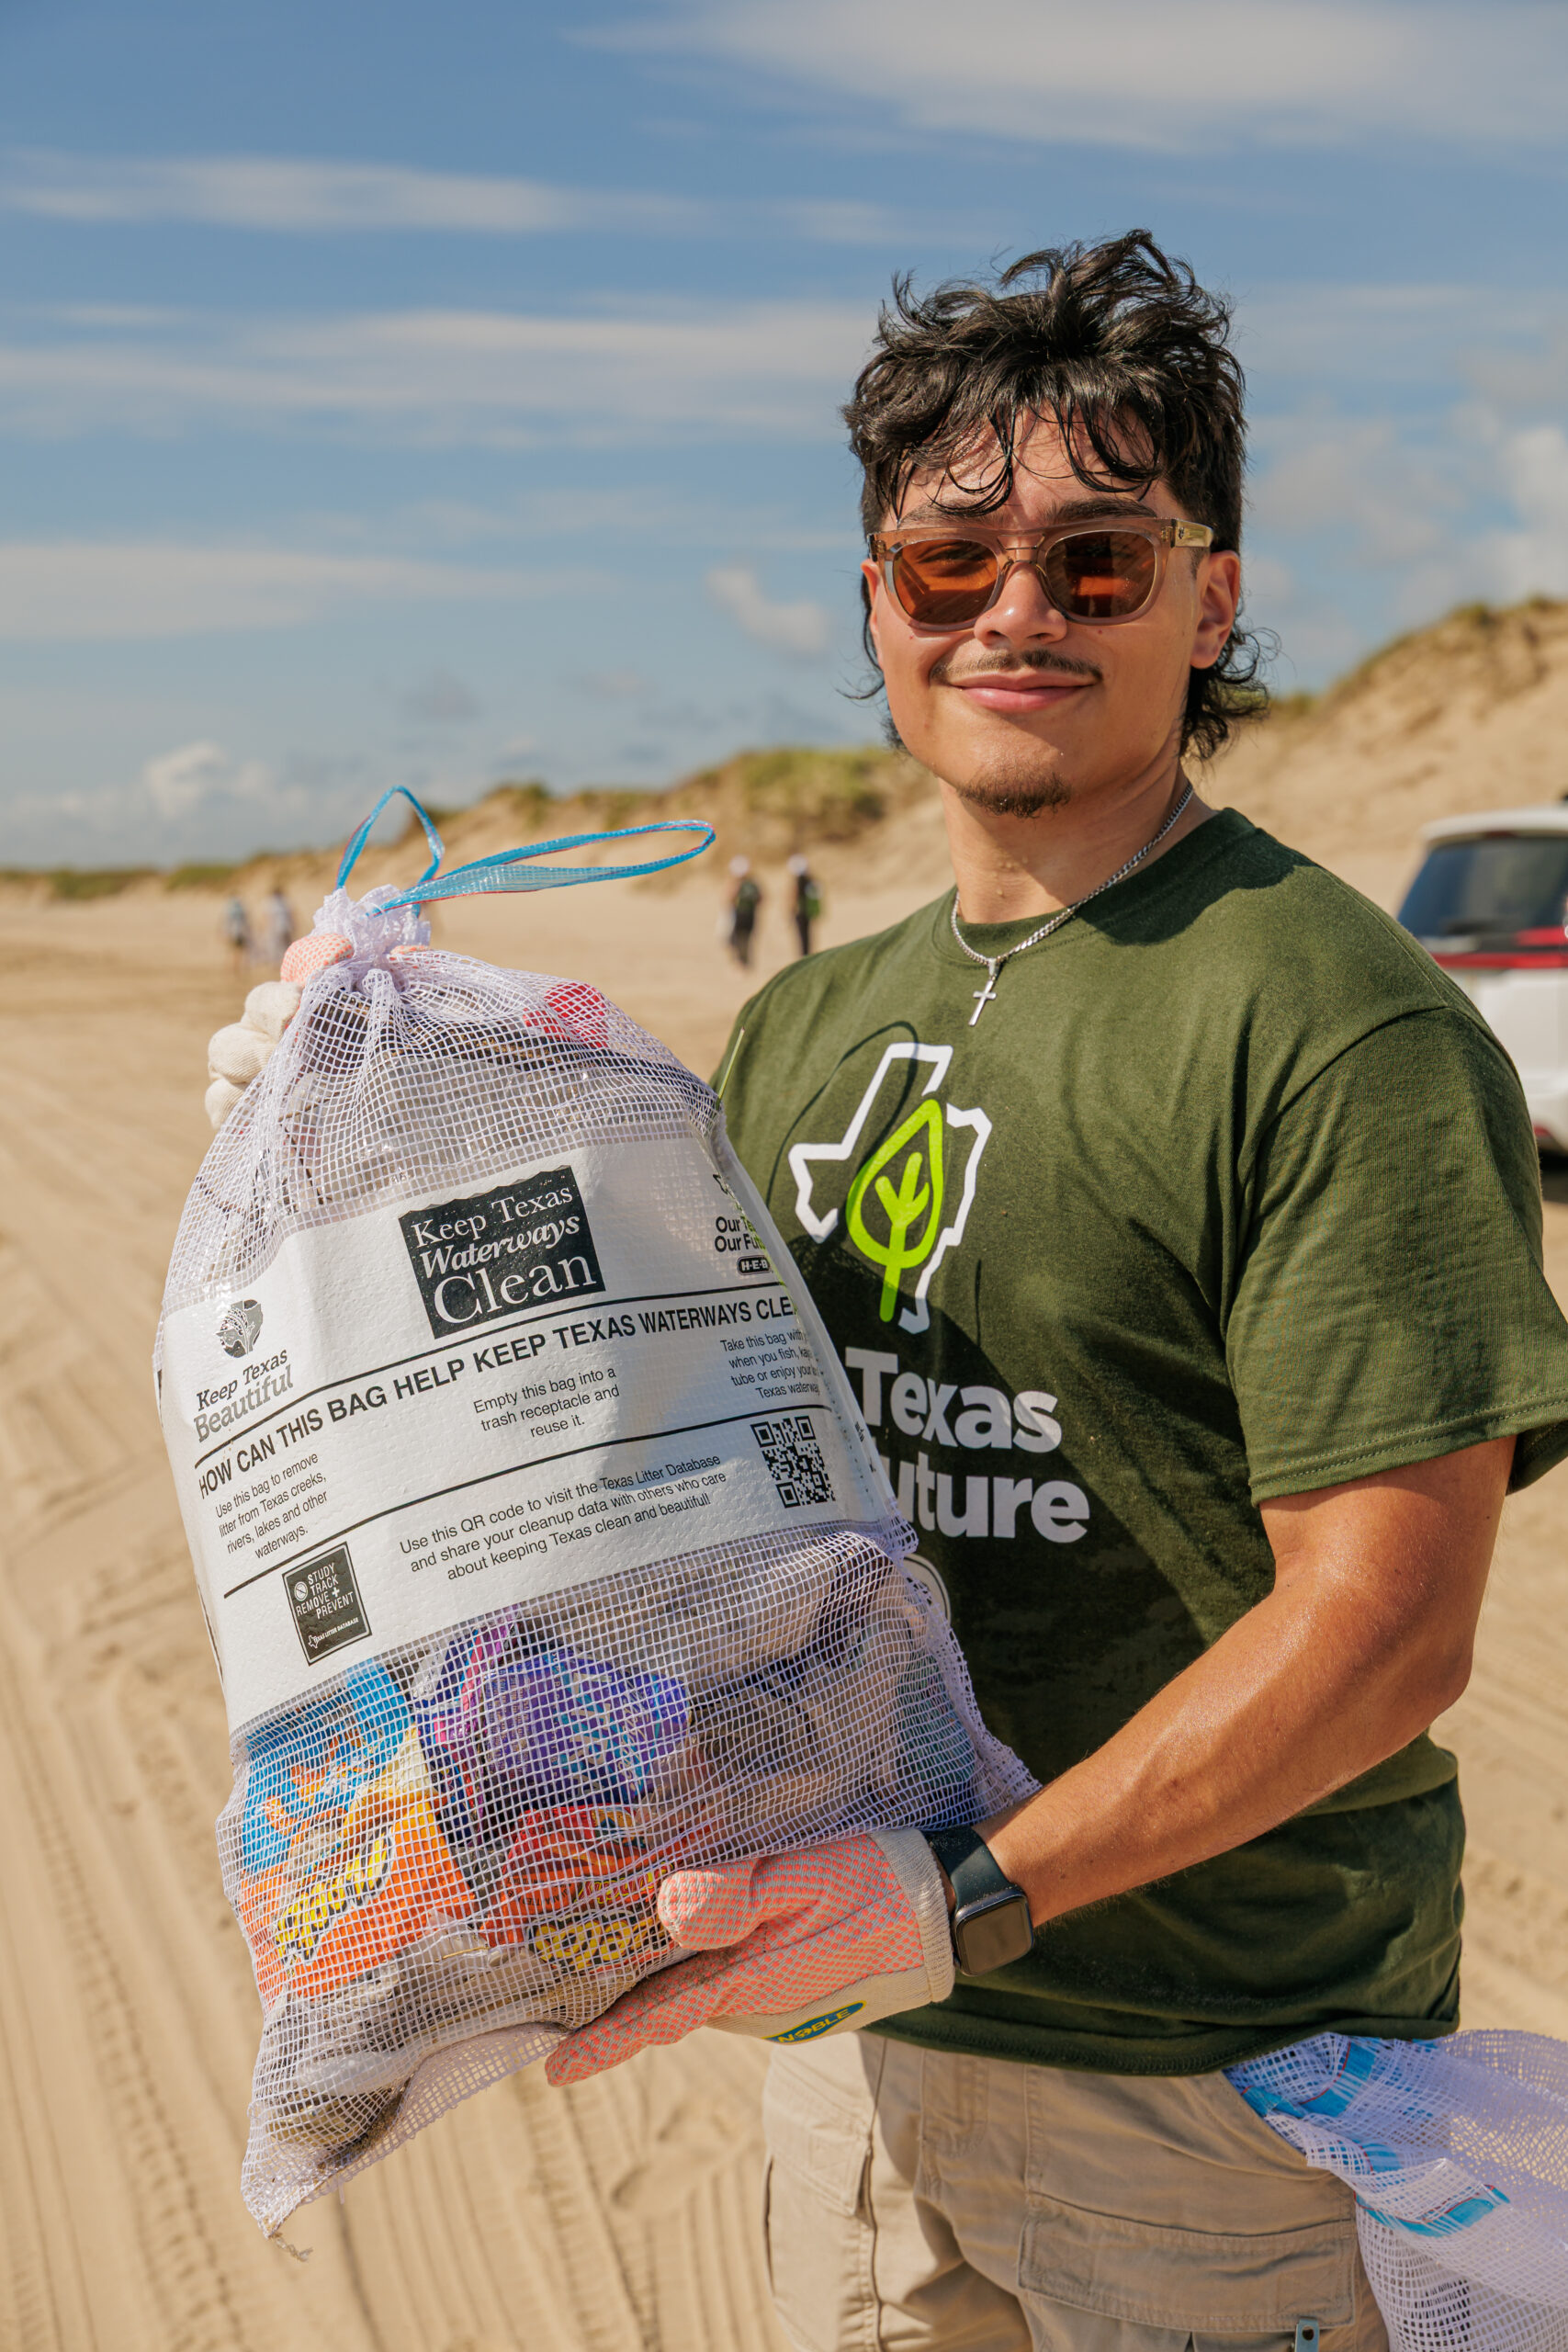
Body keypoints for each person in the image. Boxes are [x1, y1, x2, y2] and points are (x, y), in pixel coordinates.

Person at [200, 233, 1568, 2351]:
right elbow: (636, 1460)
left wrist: (962, 1890)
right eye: (949, 564)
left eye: (1092, 559)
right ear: (874, 606)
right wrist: (344, 1117)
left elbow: (1381, 1625)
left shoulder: (1329, 1021)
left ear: (1207, 597)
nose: (1014, 608)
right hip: (844, 2060)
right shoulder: (807, 1017)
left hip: (1205, 2095)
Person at [728, 854, 762, 967]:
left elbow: (730, 897)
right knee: (747, 938)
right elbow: (761, 898)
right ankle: (746, 960)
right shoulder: (753, 883)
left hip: (740, 913)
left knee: (736, 938)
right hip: (751, 913)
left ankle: (741, 961)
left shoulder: (739, 884)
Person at [787, 852, 821, 956]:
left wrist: (790, 911)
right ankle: (808, 954)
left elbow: (793, 896)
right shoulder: (811, 880)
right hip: (809, 911)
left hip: (800, 912)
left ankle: (804, 956)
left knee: (801, 936)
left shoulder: (798, 881)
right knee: (808, 935)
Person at [220, 893, 250, 978]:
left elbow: (225, 921)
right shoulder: (241, 909)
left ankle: (230, 968)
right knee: (239, 951)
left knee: (231, 950)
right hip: (240, 931)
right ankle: (237, 967)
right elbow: (246, 921)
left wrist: (223, 931)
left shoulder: (229, 908)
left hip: (232, 932)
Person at [264, 886, 294, 967]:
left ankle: (283, 962)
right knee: (283, 945)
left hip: (279, 927)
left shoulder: (273, 903)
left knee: (281, 945)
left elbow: (267, 917)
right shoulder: (283, 902)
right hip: (282, 927)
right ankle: (285, 962)